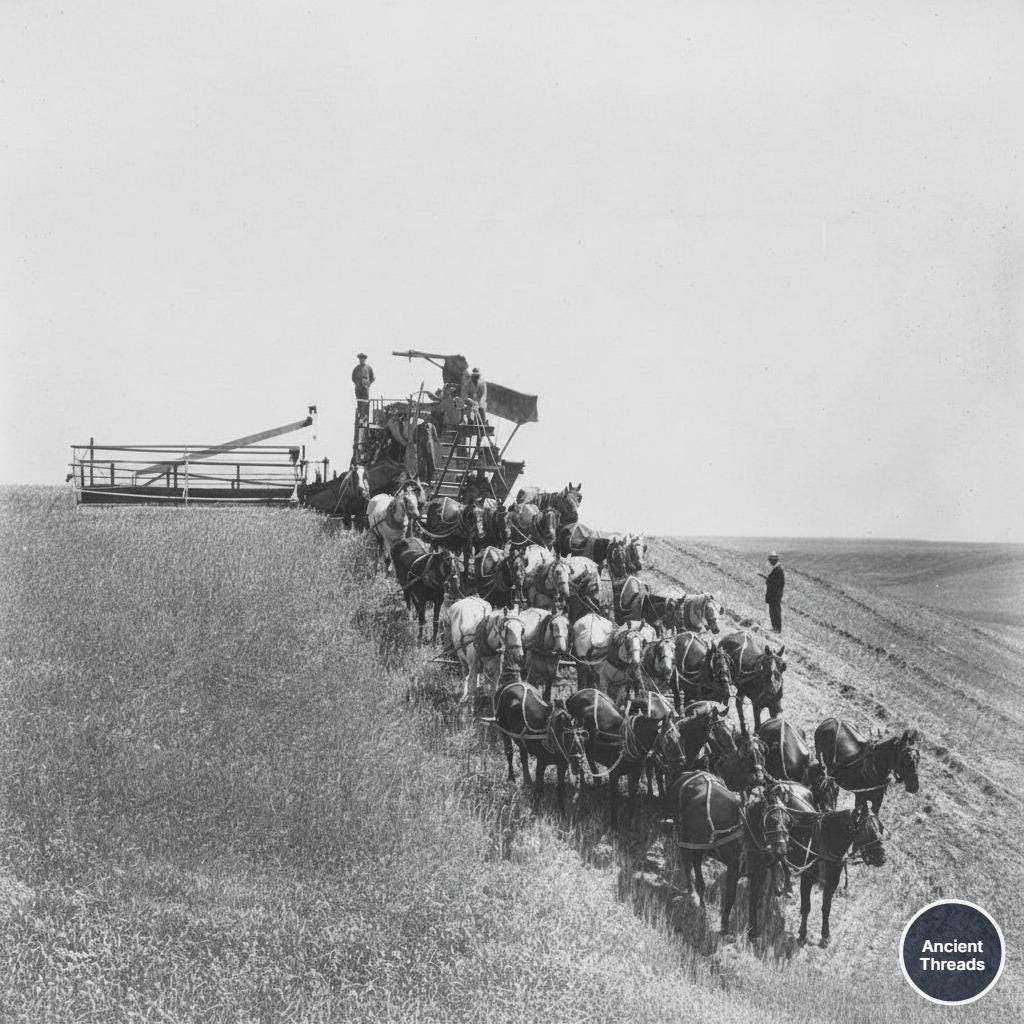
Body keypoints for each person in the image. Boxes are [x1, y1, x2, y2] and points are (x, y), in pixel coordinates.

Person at [758, 552, 785, 634]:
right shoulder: (777, 569)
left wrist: (768, 580)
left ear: (775, 560)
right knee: (773, 612)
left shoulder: (778, 570)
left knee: (775, 612)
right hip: (774, 595)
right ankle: (775, 627)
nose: (770, 562)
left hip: (775, 596)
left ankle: (777, 628)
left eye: (771, 560)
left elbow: (779, 584)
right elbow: (775, 581)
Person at [351, 353, 375, 422]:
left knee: (366, 402)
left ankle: (365, 417)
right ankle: (360, 416)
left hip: (365, 389)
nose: (362, 360)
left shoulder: (368, 368)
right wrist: (358, 384)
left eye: (363, 359)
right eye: (360, 359)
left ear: (365, 359)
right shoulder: (356, 369)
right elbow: (353, 378)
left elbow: (372, 378)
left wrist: (367, 384)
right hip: (358, 389)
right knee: (360, 403)